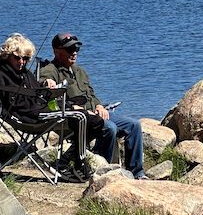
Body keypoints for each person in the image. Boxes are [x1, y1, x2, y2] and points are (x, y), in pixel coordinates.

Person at [40, 33, 146, 179]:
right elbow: (45, 86)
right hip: (77, 118)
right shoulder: (50, 70)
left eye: (76, 48)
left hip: (95, 113)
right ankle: (104, 172)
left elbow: (91, 94)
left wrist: (99, 106)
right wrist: (47, 84)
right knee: (109, 127)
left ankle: (137, 173)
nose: (74, 52)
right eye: (70, 49)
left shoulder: (80, 71)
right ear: (56, 52)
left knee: (134, 125)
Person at [0, 33, 95, 180]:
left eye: (25, 58)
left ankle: (64, 161)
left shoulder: (25, 73)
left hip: (39, 110)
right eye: (17, 57)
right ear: (8, 55)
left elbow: (38, 92)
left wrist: (47, 87)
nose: (21, 62)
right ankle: (78, 164)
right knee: (81, 117)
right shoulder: (2, 73)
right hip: (27, 117)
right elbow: (19, 99)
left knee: (95, 121)